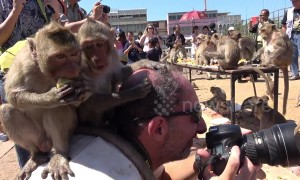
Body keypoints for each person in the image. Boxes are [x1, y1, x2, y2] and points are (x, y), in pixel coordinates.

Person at [29, 67, 261, 179]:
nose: (202, 127)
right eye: (194, 115)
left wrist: (205, 160)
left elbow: (158, 173)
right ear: (158, 127)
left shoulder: (119, 143)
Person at [282, 1, 300, 80]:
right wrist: (283, 37)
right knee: (293, 55)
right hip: (291, 35)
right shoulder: (289, 11)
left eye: (295, 0)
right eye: (292, 1)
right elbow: (284, 25)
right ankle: (295, 73)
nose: (293, 2)